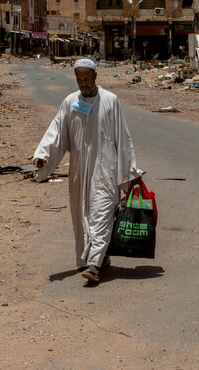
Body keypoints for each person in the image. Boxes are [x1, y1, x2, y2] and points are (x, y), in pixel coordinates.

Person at [32, 58, 143, 283]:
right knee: (82, 214)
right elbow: (57, 130)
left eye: (86, 78)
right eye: (79, 79)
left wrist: (129, 172)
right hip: (79, 172)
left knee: (101, 214)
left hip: (105, 170)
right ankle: (101, 256)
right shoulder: (70, 102)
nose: (83, 82)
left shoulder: (111, 101)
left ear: (95, 76)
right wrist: (43, 154)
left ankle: (93, 265)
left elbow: (123, 138)